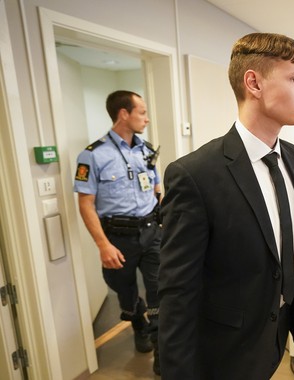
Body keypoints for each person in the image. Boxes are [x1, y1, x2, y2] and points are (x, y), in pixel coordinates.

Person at [158, 33, 294, 379]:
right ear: (253, 83)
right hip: (225, 348)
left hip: (277, 331)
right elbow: (178, 291)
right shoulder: (195, 174)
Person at [73, 90, 161, 375]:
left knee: (161, 288)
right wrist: (102, 245)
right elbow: (85, 203)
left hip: (151, 230)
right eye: (142, 112)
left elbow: (157, 188)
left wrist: (164, 220)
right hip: (118, 237)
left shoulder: (146, 149)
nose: (146, 119)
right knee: (122, 287)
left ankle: (162, 348)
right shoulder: (92, 155)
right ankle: (138, 321)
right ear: (124, 113)